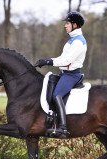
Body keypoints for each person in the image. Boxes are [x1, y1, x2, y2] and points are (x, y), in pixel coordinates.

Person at [34, 11, 87, 139]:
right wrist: (48, 60)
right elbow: (62, 58)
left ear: (75, 24)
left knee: (57, 95)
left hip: (71, 75)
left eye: (68, 23)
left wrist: (49, 61)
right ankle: (51, 116)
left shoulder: (78, 42)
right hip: (64, 73)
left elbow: (67, 61)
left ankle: (63, 127)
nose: (65, 26)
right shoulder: (72, 40)